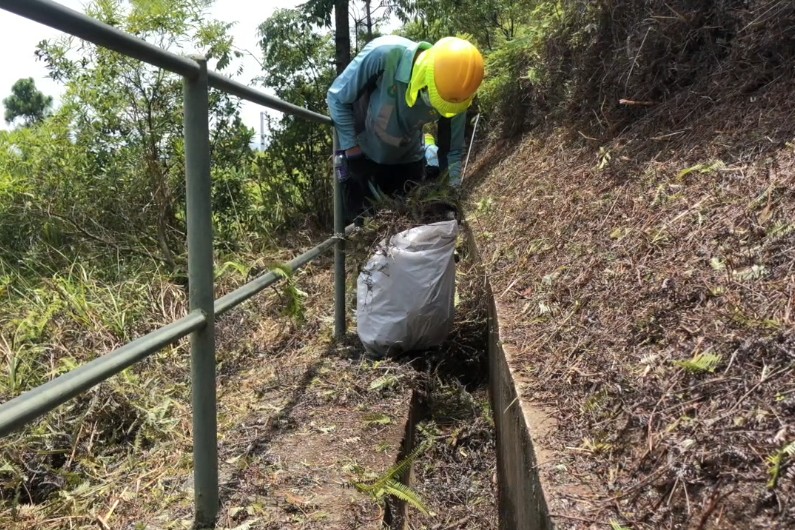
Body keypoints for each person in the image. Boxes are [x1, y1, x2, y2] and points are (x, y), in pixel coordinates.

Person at [327, 35, 484, 224]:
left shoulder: (456, 96)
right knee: (360, 226)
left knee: (404, 227)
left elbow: (451, 151)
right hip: (361, 158)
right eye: (433, 99)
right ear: (423, 77)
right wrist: (352, 152)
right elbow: (337, 98)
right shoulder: (384, 55)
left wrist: (450, 194)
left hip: (408, 161)